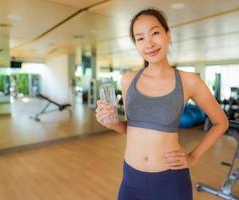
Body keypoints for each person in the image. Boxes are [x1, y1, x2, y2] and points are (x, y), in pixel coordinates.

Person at [95, 8, 229, 200]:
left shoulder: (189, 81)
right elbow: (130, 129)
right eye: (140, 38)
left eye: (155, 33)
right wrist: (110, 123)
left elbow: (221, 122)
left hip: (171, 182)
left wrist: (193, 156)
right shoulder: (127, 80)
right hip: (131, 181)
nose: (148, 43)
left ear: (168, 35)